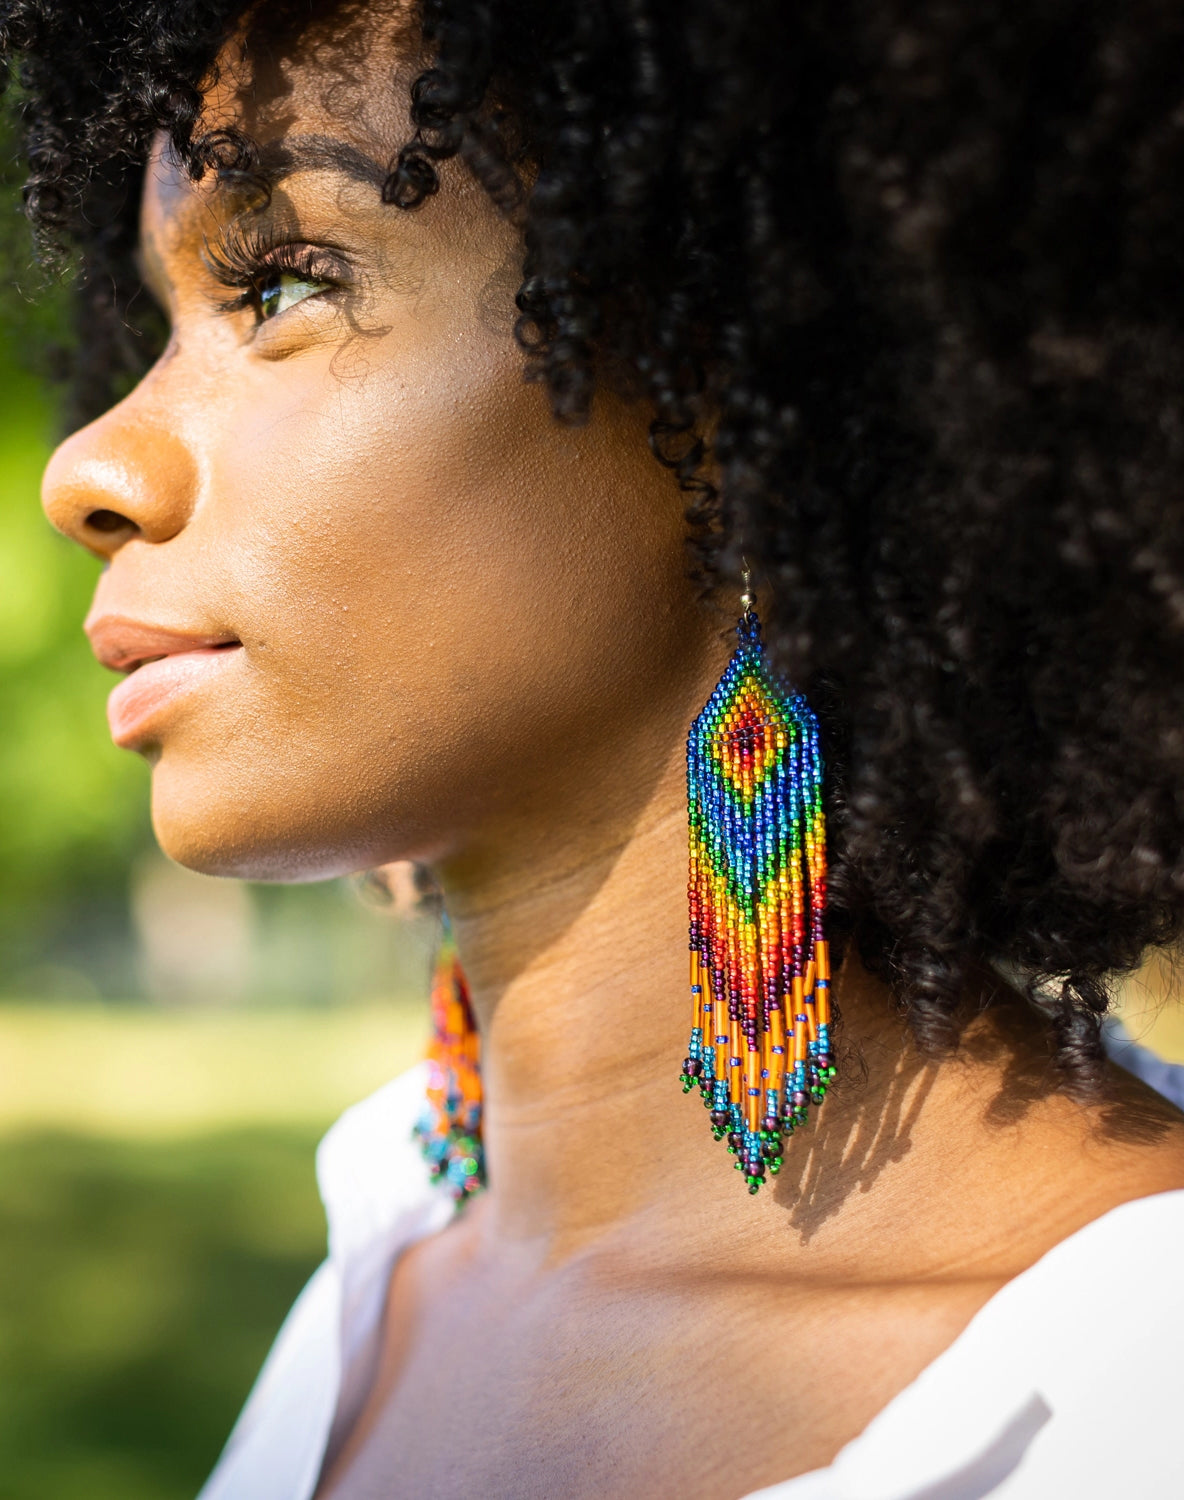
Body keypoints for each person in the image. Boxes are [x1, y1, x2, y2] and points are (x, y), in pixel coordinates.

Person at [6, 0, 1184, 1495]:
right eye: (160, 321)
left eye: (284, 282)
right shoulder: (385, 1257)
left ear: (748, 405)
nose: (87, 465)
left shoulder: (1127, 1389)